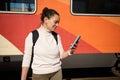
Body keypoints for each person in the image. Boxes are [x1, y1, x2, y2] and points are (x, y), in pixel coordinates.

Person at [21, 7, 77, 80]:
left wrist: (70, 51)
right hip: (39, 75)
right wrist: (23, 78)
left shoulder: (56, 36)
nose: (57, 25)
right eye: (55, 22)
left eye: (58, 22)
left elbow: (61, 55)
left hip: (57, 73)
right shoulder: (32, 35)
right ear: (46, 20)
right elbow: (26, 59)